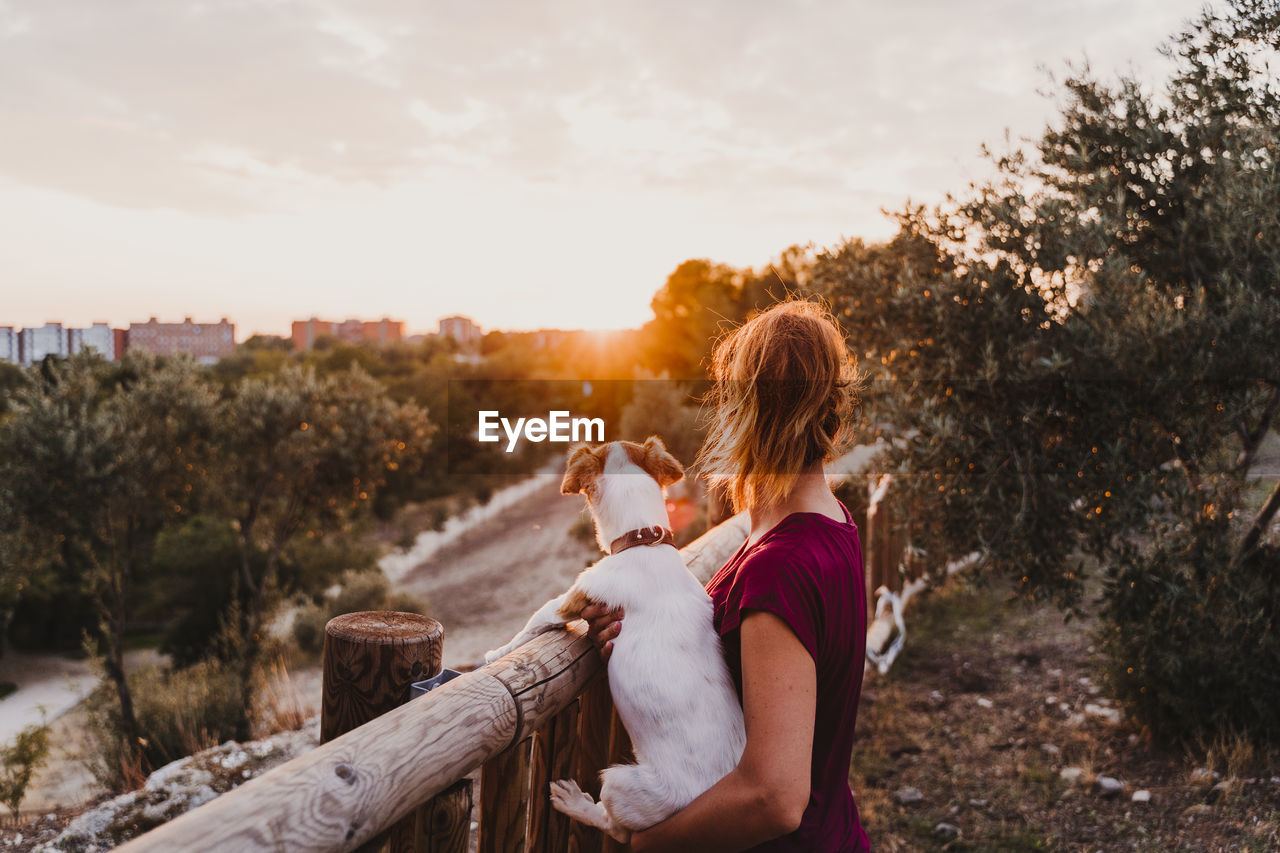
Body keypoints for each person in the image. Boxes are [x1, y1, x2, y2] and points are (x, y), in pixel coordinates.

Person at [582, 299, 872, 852]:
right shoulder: (832, 525)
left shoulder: (780, 569)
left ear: (747, 411)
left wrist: (649, 846)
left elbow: (776, 797)